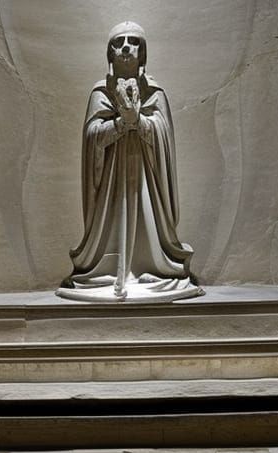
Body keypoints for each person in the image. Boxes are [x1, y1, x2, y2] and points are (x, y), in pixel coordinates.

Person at [57, 21, 201, 302]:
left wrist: (141, 122)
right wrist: (122, 123)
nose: (125, 47)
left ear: (143, 53)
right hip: (112, 183)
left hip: (147, 178)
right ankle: (111, 268)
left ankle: (153, 265)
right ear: (109, 53)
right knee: (110, 226)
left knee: (151, 225)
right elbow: (92, 138)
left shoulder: (155, 93)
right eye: (118, 42)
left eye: (133, 41)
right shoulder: (101, 92)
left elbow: (164, 138)